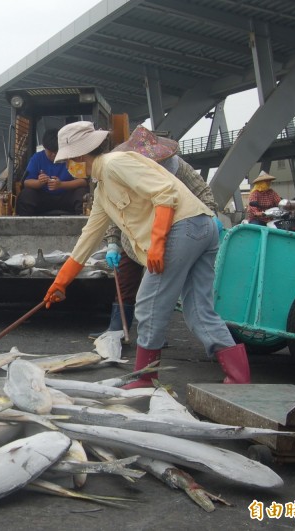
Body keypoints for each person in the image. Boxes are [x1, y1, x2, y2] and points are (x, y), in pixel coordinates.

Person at [44, 121, 250, 389]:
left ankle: (144, 377)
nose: (68, 167)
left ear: (80, 156)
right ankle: (239, 377)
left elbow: (164, 194)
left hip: (182, 227)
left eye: (69, 160)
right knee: (198, 309)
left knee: (148, 304)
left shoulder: (113, 163)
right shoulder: (103, 190)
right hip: (201, 227)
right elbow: (89, 238)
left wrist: (157, 242)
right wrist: (60, 282)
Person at [88, 125, 223, 341]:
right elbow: (116, 210)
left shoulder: (178, 168)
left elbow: (202, 193)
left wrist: (211, 216)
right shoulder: (123, 169)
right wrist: (113, 243)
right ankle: (116, 330)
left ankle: (153, 337)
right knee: (125, 283)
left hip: (172, 233)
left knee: (159, 296)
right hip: (134, 238)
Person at [15, 128, 89, 216]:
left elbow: (82, 182)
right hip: (44, 198)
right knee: (26, 195)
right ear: (44, 147)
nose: (54, 155)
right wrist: (39, 182)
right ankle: (24, 224)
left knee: (82, 193)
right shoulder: (37, 158)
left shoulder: (70, 158)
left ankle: (82, 221)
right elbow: (27, 182)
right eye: (50, 151)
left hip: (66, 197)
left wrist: (61, 185)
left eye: (56, 151)